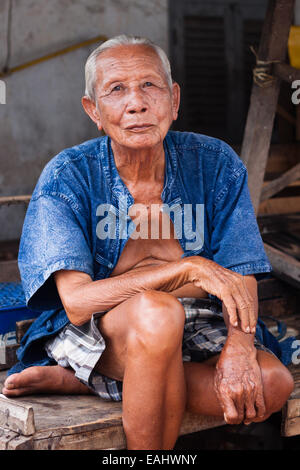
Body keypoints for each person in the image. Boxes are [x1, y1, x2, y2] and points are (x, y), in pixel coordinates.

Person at [2, 35, 294, 450]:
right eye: (116, 90)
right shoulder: (68, 176)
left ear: (173, 100)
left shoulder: (215, 163)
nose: (136, 103)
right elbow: (79, 303)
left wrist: (240, 347)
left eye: (150, 87)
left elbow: (241, 269)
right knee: (158, 313)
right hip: (99, 327)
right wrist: (185, 268)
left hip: (197, 318)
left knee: (271, 383)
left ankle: (92, 383)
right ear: (94, 111)